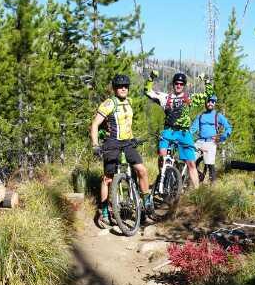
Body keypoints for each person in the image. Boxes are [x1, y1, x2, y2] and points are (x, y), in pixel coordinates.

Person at [90, 74, 153, 224]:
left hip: (127, 142)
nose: (123, 88)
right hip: (111, 143)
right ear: (114, 88)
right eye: (120, 86)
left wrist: (134, 138)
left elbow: (127, 124)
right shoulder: (109, 103)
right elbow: (94, 124)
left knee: (142, 170)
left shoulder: (130, 102)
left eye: (126, 86)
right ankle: (105, 211)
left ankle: (147, 205)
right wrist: (95, 145)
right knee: (108, 179)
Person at [144, 70, 214, 189]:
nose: (179, 85)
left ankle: (197, 193)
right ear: (173, 84)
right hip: (168, 131)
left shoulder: (189, 98)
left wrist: (206, 80)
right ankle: (163, 177)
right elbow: (148, 92)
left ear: (184, 85)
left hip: (183, 133)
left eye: (181, 84)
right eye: (177, 83)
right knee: (162, 155)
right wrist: (151, 78)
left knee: (191, 163)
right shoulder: (165, 98)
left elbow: (209, 94)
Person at [191, 95, 232, 183]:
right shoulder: (201, 116)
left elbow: (228, 127)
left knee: (210, 164)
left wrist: (222, 137)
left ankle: (212, 186)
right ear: (206, 102)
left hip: (211, 142)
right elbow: (192, 129)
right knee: (189, 160)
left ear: (214, 103)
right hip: (199, 141)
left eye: (212, 102)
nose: (210, 103)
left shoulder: (218, 115)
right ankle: (194, 178)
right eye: (209, 101)